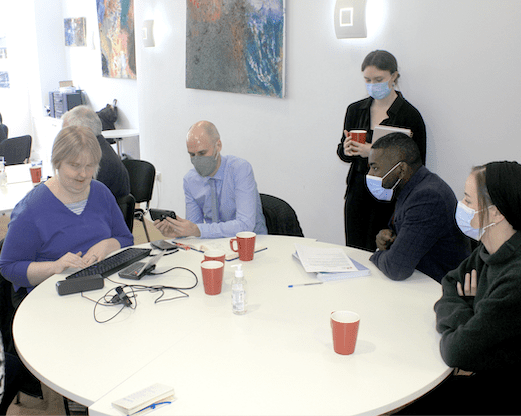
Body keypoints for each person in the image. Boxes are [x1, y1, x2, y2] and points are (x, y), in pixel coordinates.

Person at [398, 161, 521, 415]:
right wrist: (470, 312)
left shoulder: (515, 278)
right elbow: (450, 283)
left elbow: (455, 351)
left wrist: (468, 309)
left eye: (467, 200)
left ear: (496, 213)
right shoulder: (489, 247)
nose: (460, 207)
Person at [0, 126, 133, 302]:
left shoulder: (101, 192)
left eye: (90, 166)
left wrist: (106, 245)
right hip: (54, 295)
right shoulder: (32, 208)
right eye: (75, 165)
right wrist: (55, 267)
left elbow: (125, 238)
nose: (83, 174)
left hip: (100, 288)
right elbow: (9, 267)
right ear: (57, 162)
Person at [337, 50, 426, 251]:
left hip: (391, 196)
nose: (372, 85)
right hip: (358, 192)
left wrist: (374, 153)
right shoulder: (355, 110)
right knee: (355, 250)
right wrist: (346, 149)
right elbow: (343, 154)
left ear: (393, 76)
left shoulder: (409, 116)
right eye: (367, 80)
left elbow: (418, 166)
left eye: (378, 79)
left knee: (385, 253)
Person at [367, 133, 470, 283]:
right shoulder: (412, 186)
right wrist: (387, 237)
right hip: (420, 279)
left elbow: (396, 268)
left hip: (438, 288)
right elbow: (401, 232)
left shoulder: (428, 197)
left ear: (401, 169)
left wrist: (375, 255)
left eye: (375, 168)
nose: (370, 174)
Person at [155, 120, 267, 239]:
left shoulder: (240, 169)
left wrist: (197, 230)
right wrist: (180, 233)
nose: (197, 159)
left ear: (218, 146)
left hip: (252, 244)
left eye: (202, 153)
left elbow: (245, 225)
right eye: (192, 155)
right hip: (214, 246)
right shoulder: (190, 180)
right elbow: (194, 227)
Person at [61, 105, 130, 198]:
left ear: (85, 131)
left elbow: (80, 199)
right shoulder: (99, 148)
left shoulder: (96, 161)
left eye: (67, 133)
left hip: (102, 210)